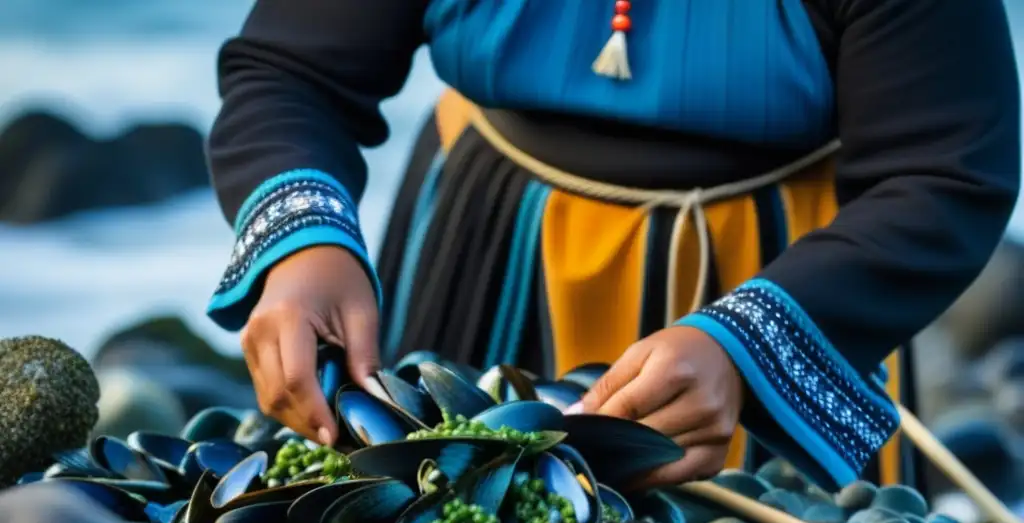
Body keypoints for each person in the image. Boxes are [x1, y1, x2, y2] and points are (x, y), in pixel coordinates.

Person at [205, 0, 1020, 492]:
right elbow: (292, 71)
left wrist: (744, 353)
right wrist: (303, 252)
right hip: (478, 245)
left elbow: (944, 170)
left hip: (777, 291)